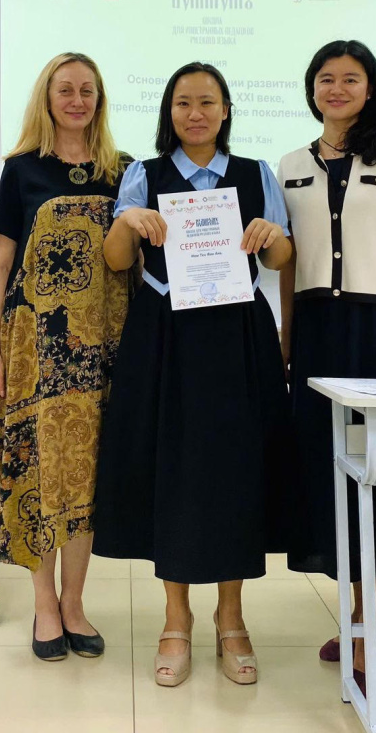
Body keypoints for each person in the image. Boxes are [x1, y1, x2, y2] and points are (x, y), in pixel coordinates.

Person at [93, 61, 292, 688]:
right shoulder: (143, 175)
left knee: (236, 469)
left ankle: (231, 618)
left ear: (226, 110)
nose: (195, 113)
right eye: (183, 102)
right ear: (169, 112)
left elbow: (281, 258)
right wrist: (127, 223)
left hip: (237, 336)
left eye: (207, 102)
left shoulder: (255, 174)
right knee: (171, 468)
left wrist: (272, 233)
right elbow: (116, 260)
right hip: (165, 336)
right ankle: (175, 620)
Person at [278, 39, 376, 690]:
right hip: (316, 333)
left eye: (350, 78)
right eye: (325, 78)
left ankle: (374, 629)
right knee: (328, 475)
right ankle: (358, 617)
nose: (336, 89)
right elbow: (288, 266)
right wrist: (288, 340)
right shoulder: (290, 165)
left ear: (370, 88)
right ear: (311, 88)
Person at [0, 52, 131, 662]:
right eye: (65, 90)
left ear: (100, 100)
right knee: (40, 474)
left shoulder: (123, 171)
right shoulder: (21, 170)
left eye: (87, 91)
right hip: (34, 349)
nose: (77, 101)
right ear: (47, 98)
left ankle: (75, 603)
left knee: (87, 477)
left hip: (103, 348)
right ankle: (45, 604)